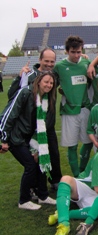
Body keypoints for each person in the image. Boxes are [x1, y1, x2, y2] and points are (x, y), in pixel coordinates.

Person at [0, 72, 57, 210]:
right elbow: (9, 115)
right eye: (46, 82)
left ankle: (42, 196)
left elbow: (43, 124)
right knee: (30, 165)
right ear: (38, 81)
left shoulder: (47, 99)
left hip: (30, 139)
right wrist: (3, 139)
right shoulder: (25, 93)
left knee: (42, 161)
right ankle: (23, 200)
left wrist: (36, 147)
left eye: (51, 83)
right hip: (16, 137)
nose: (48, 85)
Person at [7, 48, 62, 189]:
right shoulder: (29, 74)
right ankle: (34, 186)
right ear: (40, 60)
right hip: (32, 126)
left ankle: (55, 181)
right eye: (46, 61)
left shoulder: (54, 75)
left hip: (48, 124)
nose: (49, 64)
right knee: (34, 157)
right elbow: (13, 95)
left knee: (53, 154)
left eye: (52, 61)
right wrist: (20, 77)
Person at [54, 36, 93, 177]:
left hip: (85, 108)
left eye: (78, 52)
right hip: (69, 110)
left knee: (88, 142)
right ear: (66, 51)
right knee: (72, 145)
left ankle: (82, 171)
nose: (76, 55)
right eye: (73, 52)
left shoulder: (86, 63)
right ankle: (76, 176)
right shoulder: (59, 67)